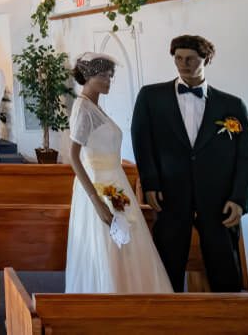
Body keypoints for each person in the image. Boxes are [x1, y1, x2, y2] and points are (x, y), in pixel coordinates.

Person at [131, 35, 248, 292]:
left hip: (218, 199)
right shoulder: (150, 97)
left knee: (224, 265)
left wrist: (239, 198)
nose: (183, 64)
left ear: (206, 60)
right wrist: (151, 182)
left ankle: (228, 319)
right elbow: (142, 143)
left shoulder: (232, 105)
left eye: (190, 59)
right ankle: (171, 319)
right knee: (168, 263)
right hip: (169, 194)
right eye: (178, 58)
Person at [65, 53, 173, 293]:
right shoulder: (83, 108)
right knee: (109, 246)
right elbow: (73, 156)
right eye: (102, 76)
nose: (107, 81)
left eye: (109, 76)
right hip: (99, 185)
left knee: (124, 243)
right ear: (87, 76)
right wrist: (96, 200)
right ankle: (112, 296)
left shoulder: (94, 107)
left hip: (115, 180)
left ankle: (129, 293)